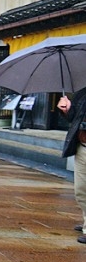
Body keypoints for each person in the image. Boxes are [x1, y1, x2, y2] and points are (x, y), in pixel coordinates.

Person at [58, 88, 86, 244]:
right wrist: (66, 109)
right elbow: (73, 118)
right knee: (81, 190)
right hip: (82, 147)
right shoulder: (82, 93)